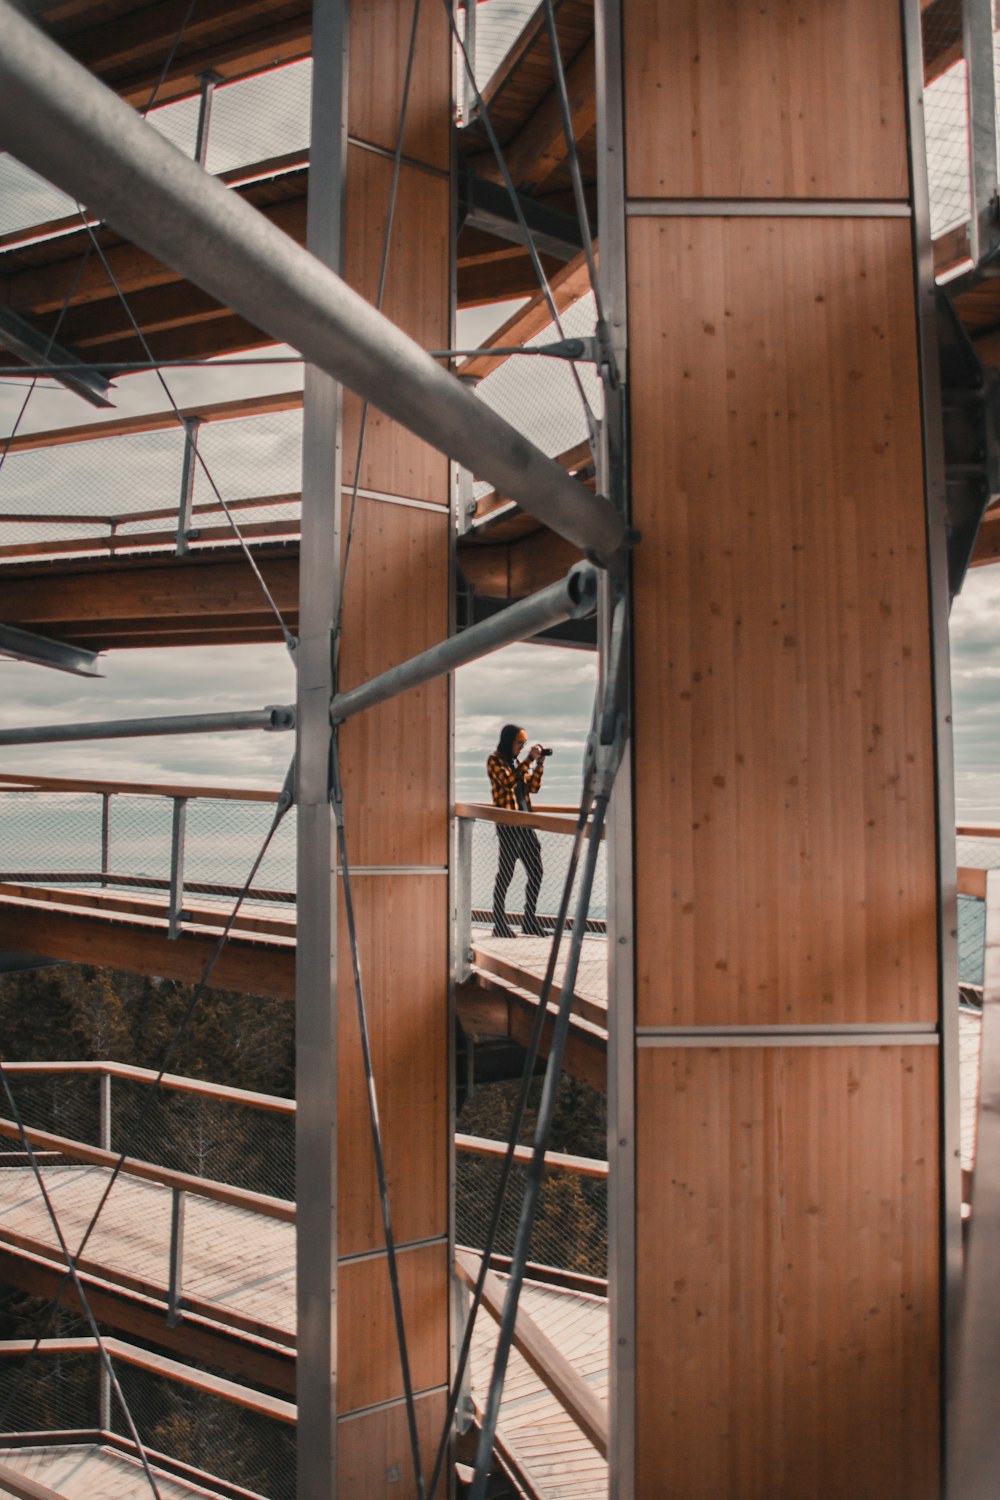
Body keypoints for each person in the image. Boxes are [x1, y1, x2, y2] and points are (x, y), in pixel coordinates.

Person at [487, 723, 546, 938]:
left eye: (524, 743)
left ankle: (529, 920)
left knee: (536, 872)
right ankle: (499, 923)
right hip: (508, 826)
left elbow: (533, 787)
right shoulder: (494, 761)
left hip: (525, 825)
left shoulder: (516, 762)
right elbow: (508, 782)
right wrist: (529, 760)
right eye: (519, 743)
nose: (522, 747)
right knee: (506, 874)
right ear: (509, 741)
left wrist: (538, 765)